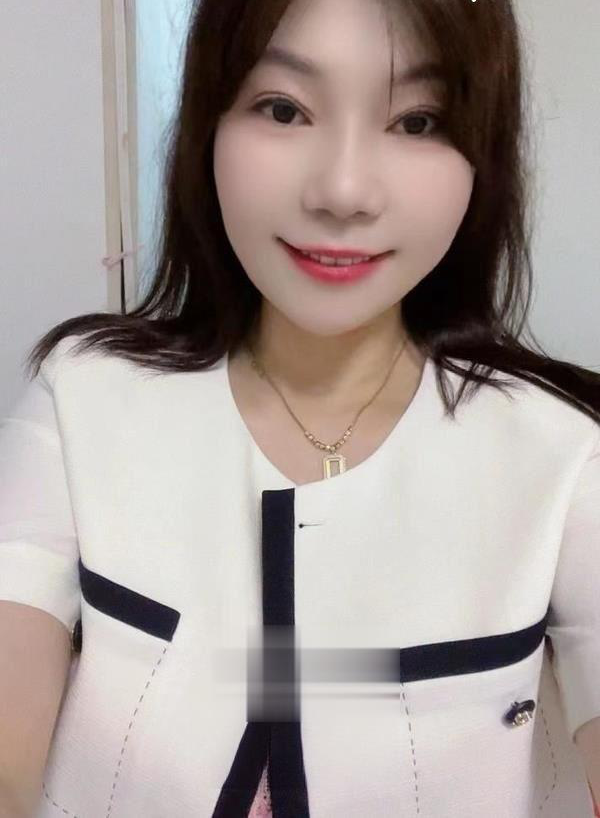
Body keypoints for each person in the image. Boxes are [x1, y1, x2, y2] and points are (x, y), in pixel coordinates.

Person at [1, 0, 599, 815]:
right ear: (208, 126)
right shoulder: (81, 397)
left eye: (418, 121)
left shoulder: (563, 454)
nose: (343, 192)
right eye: (283, 109)